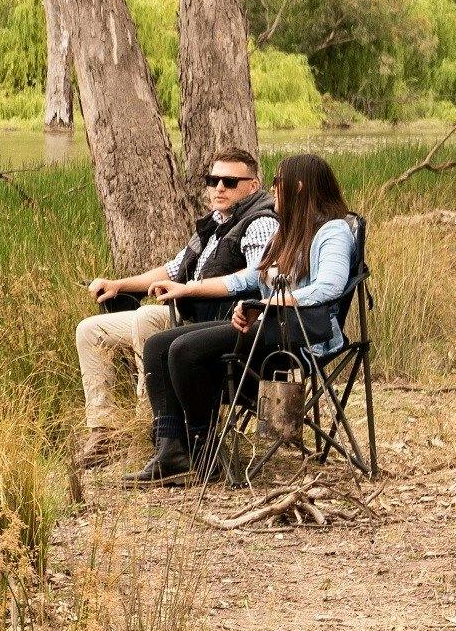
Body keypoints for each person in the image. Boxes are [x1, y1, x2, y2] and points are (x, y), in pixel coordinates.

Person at [140, 151, 362, 481]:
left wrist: (268, 306)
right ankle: (171, 449)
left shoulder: (333, 231)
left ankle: (203, 453)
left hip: (302, 335)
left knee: (185, 351)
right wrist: (188, 288)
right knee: (157, 345)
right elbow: (249, 278)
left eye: (277, 184)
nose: (273, 192)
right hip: (269, 325)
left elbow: (328, 288)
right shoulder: (289, 231)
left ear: (297, 187)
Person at [76, 150, 271, 466]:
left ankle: (149, 428)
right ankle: (104, 432)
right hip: (183, 317)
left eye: (230, 181)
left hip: (218, 323)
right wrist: (118, 284)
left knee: (145, 317)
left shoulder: (259, 222)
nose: (219, 188)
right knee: (90, 330)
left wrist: (191, 289)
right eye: (213, 180)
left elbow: (257, 275)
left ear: (252, 185)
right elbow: (172, 269)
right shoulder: (213, 224)